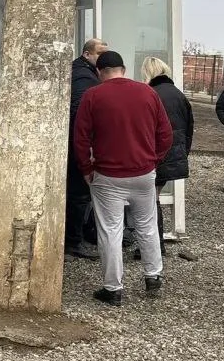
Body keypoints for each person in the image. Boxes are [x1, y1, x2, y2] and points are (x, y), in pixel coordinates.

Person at [73, 50, 173, 306]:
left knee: (110, 230)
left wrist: (86, 168)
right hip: (143, 173)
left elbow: (80, 137)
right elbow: (165, 134)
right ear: (124, 69)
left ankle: (113, 288)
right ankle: (153, 275)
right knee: (147, 225)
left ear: (99, 72)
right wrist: (153, 160)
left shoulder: (92, 95)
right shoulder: (147, 93)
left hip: (107, 175)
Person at [141, 57, 194, 253]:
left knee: (150, 200)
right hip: (174, 154)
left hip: (155, 154)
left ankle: (154, 246)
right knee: (153, 197)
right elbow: (189, 128)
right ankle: (155, 245)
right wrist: (182, 154)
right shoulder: (178, 95)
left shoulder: (150, 93)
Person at [66, 39, 108, 258]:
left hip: (74, 143)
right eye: (99, 53)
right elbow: (79, 112)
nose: (103, 57)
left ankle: (75, 237)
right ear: (86, 54)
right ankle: (73, 241)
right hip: (76, 145)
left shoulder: (84, 73)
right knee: (79, 194)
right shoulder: (84, 77)